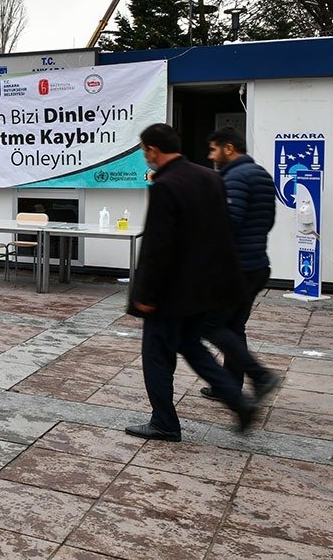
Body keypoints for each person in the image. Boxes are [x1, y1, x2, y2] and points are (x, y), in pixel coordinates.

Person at [126, 123, 257, 442]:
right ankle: (238, 402)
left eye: (144, 150)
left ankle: (164, 422)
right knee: (191, 346)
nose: (145, 156)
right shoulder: (210, 177)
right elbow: (222, 233)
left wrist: (145, 295)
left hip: (169, 293)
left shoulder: (165, 185)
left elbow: (157, 246)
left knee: (156, 356)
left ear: (153, 149)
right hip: (204, 289)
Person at [200, 126, 279, 401]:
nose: (211, 156)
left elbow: (228, 222)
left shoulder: (236, 177)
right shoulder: (261, 174)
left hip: (236, 268)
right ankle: (229, 386)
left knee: (209, 324)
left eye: (213, 150)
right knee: (233, 326)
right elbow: (267, 221)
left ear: (229, 148)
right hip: (257, 265)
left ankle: (260, 375)